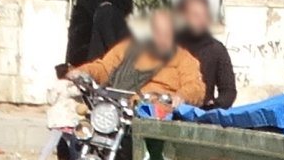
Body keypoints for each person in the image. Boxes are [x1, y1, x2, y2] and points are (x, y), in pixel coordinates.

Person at [69, 8, 205, 108]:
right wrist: (83, 72)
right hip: (116, 107)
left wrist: (181, 96)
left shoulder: (184, 59)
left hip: (155, 114)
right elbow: (103, 68)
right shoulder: (128, 48)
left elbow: (195, 86)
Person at [176, 0, 237, 110]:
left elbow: (229, 91)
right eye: (194, 15)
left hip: (203, 116)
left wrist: (214, 104)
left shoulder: (216, 49)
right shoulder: (172, 47)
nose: (199, 20)